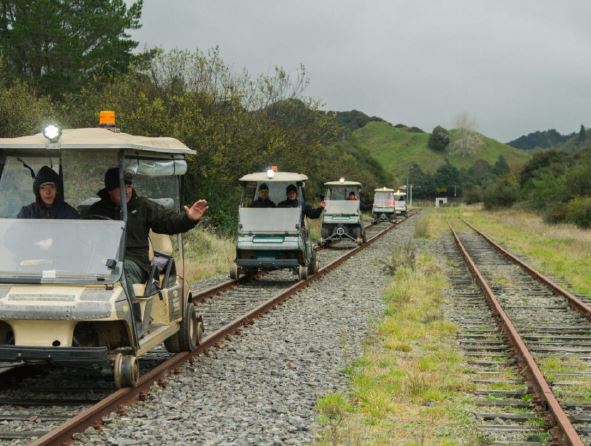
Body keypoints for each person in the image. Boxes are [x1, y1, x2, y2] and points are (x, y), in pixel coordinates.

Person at [85, 167, 208, 334]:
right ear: (109, 190)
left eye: (128, 186)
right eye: (120, 188)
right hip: (101, 262)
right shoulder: (96, 211)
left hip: (134, 262)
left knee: (120, 271)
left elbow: (168, 221)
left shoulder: (142, 206)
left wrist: (188, 219)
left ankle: (134, 322)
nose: (126, 191)